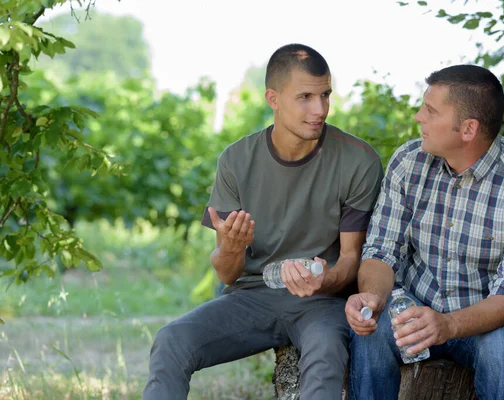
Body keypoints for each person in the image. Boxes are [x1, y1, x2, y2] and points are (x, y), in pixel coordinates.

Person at [142, 43, 384, 400]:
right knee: (171, 340)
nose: (319, 110)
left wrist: (322, 279)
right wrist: (231, 247)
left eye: (325, 95)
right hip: (253, 296)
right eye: (305, 97)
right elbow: (227, 274)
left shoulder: (358, 161)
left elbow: (352, 259)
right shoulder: (236, 160)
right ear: (273, 98)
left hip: (323, 303)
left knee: (326, 353)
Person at [345, 64, 504, 400]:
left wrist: (448, 326)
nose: (418, 117)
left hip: (483, 320)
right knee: (370, 331)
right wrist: (374, 296)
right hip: (412, 307)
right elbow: (381, 252)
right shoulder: (408, 162)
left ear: (468, 129)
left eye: (430, 111)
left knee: (503, 356)